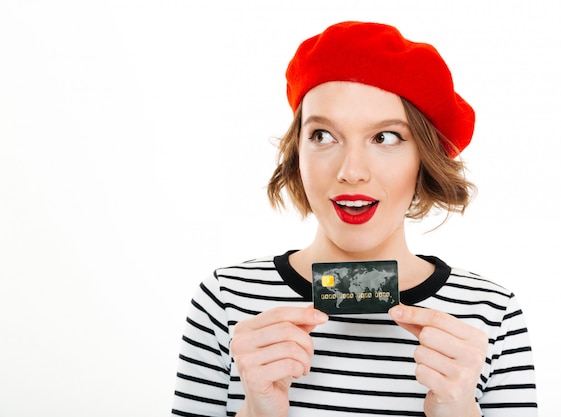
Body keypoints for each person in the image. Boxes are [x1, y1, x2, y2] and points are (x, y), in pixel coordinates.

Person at [171, 21, 538, 417]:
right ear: (298, 152)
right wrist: (259, 410)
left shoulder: (491, 312)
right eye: (323, 135)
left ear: (423, 158)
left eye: (385, 138)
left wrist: (457, 410)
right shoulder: (225, 299)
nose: (352, 171)